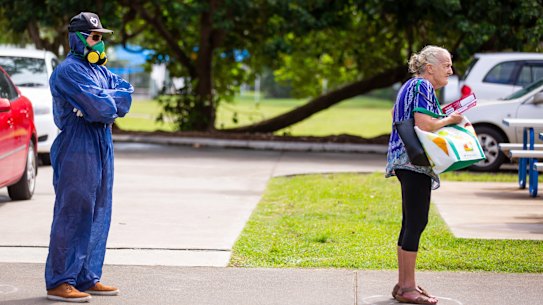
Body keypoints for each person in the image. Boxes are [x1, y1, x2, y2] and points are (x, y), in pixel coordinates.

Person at [45, 12, 133, 302]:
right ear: (78, 38)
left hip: (102, 142)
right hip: (76, 145)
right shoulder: (68, 71)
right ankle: (60, 281)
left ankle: (86, 276)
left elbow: (126, 95)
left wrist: (104, 101)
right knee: (74, 211)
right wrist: (105, 103)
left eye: (101, 38)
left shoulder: (99, 71)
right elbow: (102, 110)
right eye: (95, 37)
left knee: (99, 210)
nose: (99, 43)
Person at [385, 45, 463, 305]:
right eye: (447, 65)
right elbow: (424, 123)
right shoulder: (422, 87)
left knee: (411, 222)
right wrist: (450, 120)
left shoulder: (412, 85)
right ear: (430, 68)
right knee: (417, 222)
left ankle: (404, 283)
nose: (451, 71)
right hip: (413, 162)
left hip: (403, 160)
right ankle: (407, 288)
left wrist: (442, 116)